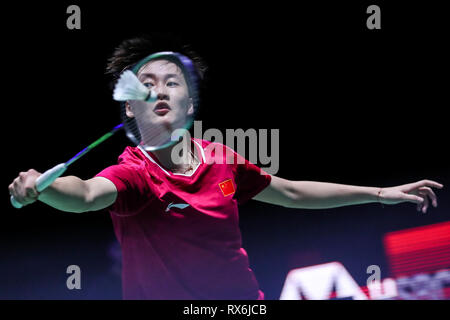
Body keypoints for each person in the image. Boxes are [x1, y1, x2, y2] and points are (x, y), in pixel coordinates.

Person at [8, 36, 443, 300]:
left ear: (190, 103)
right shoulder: (134, 175)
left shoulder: (221, 158)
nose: (160, 90)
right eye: (147, 85)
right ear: (130, 108)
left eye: (172, 81)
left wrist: (380, 193)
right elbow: (84, 194)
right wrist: (41, 188)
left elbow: (290, 192)